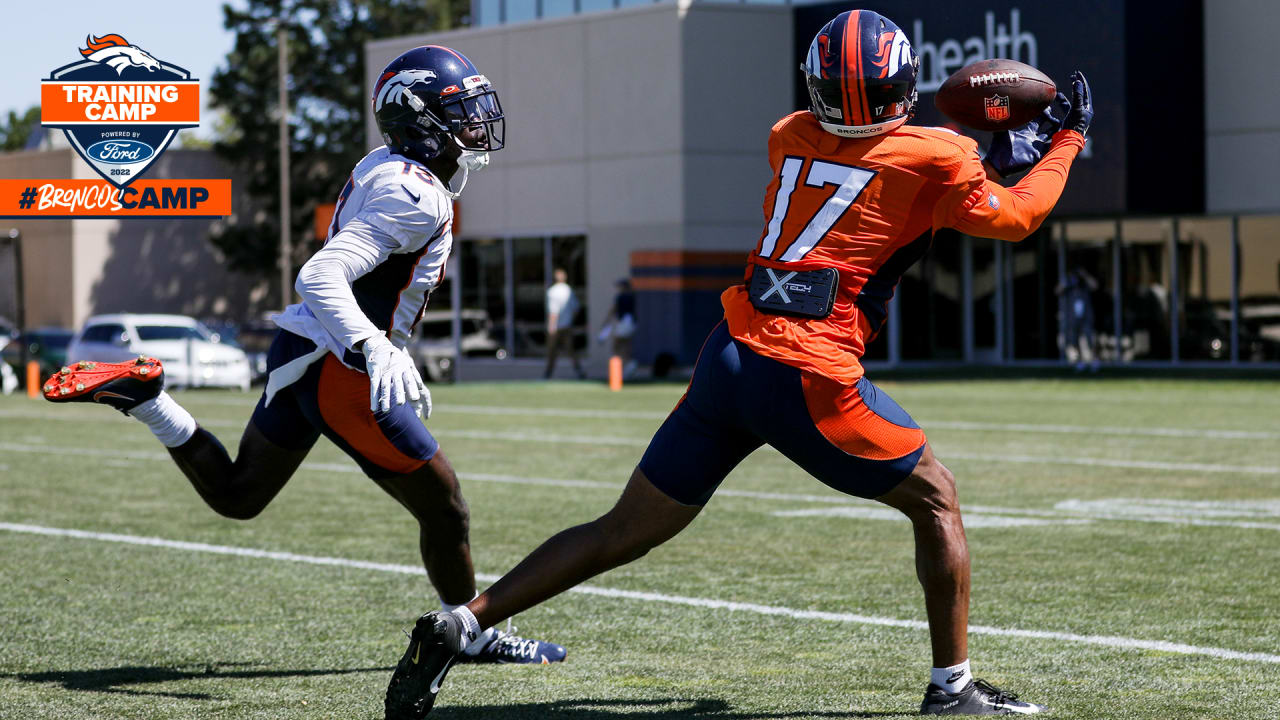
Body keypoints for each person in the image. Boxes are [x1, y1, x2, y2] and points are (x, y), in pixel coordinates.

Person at [385, 9, 1092, 718]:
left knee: (621, 529)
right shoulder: (937, 156)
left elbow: (889, 175)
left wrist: (986, 151)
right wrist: (1063, 141)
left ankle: (464, 622)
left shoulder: (789, 136)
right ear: (900, 84)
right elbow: (1015, 215)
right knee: (936, 499)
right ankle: (954, 689)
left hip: (730, 355)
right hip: (809, 372)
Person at [42, 45, 565, 670]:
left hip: (304, 349)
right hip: (342, 367)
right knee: (445, 504)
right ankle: (472, 633)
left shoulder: (387, 166)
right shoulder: (417, 196)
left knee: (240, 494)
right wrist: (373, 345)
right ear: (418, 119)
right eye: (460, 110)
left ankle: (151, 401)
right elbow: (320, 275)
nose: (477, 122)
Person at [543, 267, 585, 379]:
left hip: (556, 327)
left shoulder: (552, 292)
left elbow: (553, 312)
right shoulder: (569, 290)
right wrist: (570, 319)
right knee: (571, 351)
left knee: (552, 351)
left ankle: (548, 374)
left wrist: (551, 327)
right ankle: (579, 371)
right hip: (567, 326)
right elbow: (576, 308)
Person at [1057, 266, 1100, 371]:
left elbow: (1095, 286)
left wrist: (1084, 275)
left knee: (1089, 340)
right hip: (1073, 318)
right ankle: (1079, 362)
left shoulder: (1085, 285)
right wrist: (1067, 280)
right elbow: (1058, 290)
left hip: (1086, 318)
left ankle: (1094, 361)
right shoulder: (1069, 286)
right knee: (1074, 341)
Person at [598, 278, 637, 377]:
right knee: (626, 345)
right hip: (631, 323)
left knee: (617, 345)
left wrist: (605, 323)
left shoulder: (621, 297)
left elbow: (613, 310)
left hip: (624, 322)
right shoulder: (632, 296)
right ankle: (628, 364)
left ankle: (624, 367)